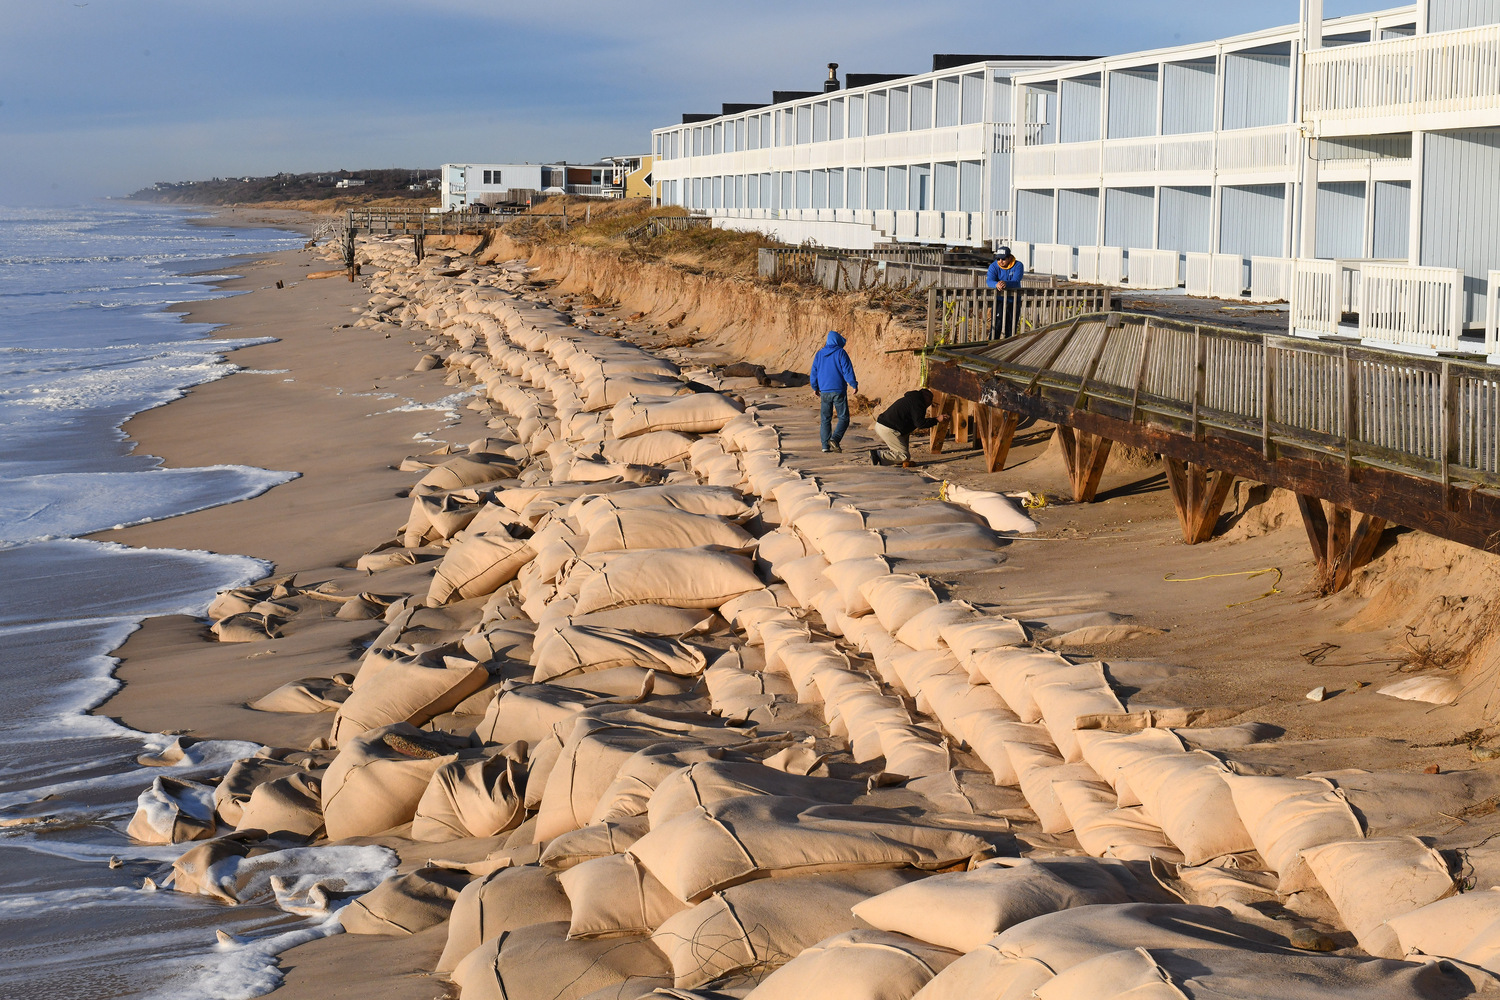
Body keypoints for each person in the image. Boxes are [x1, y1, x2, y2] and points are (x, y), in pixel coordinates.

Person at [809, 330, 858, 453]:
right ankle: (835, 439)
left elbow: (814, 372)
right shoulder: (841, 352)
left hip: (824, 391)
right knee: (844, 418)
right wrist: (853, 384)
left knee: (825, 419)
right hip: (838, 390)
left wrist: (815, 387)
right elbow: (847, 370)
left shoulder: (819, 354)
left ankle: (825, 446)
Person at [870, 388, 938, 467]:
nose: (930, 402)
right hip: (888, 429)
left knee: (904, 456)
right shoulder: (917, 403)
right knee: (904, 455)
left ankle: (890, 460)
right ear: (925, 396)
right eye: (930, 399)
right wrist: (937, 419)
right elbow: (920, 424)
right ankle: (877, 455)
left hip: (888, 427)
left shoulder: (912, 399)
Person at [986, 246, 1026, 339]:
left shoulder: (1018, 265)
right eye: (998, 258)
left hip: (1014, 300)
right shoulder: (993, 266)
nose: (1000, 261)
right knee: (996, 324)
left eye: (1003, 259)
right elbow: (989, 281)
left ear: (1009, 258)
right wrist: (996, 284)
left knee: (1011, 326)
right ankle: (992, 346)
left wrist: (1005, 283)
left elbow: (1016, 281)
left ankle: (1009, 347)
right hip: (999, 300)